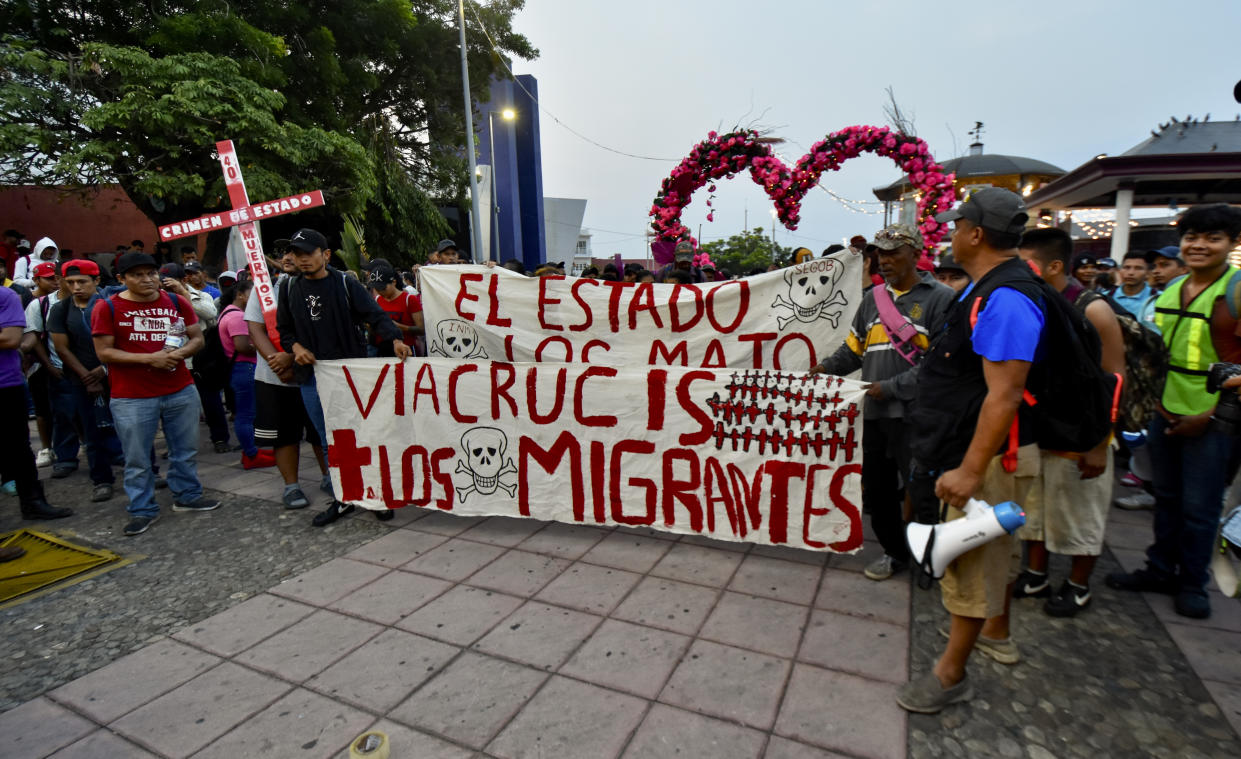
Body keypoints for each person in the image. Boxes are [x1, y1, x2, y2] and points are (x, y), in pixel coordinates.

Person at [898, 188, 1044, 714]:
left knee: (971, 564)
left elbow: (1004, 394)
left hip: (986, 460)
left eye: (957, 225)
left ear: (976, 234)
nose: (952, 233)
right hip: (974, 451)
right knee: (980, 562)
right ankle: (989, 633)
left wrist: (969, 470)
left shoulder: (1005, 298)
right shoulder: (987, 290)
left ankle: (950, 675)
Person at [1106, 203, 1241, 620]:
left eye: (1212, 238)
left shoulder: (1235, 290)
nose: (1198, 245)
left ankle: (1192, 582)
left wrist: (1214, 413)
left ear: (1232, 243)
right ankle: (1160, 568)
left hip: (1215, 417)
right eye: (1192, 237)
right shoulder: (1171, 288)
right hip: (1163, 408)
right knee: (1165, 498)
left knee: (1200, 506)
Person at [810, 223, 955, 581]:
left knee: (922, 492)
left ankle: (929, 561)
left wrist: (890, 387)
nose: (884, 260)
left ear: (916, 254)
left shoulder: (941, 299)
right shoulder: (873, 299)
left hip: (917, 416)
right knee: (877, 491)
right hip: (875, 415)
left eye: (893, 252)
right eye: (880, 253)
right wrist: (826, 367)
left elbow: (939, 366)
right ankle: (895, 553)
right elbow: (854, 348)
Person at [1013, 229, 1125, 616]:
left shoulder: (1093, 309)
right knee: (1035, 510)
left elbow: (1115, 378)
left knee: (1080, 515)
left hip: (1082, 433)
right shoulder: (1031, 302)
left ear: (1055, 265)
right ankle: (1036, 573)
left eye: (1025, 264)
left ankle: (1078, 585)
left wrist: (1099, 443)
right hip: (1040, 427)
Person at [275, 228, 410, 525]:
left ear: (325, 255)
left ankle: (375, 495)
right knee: (329, 440)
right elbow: (284, 331)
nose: (301, 259)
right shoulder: (287, 288)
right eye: (296, 253)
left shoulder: (346, 285)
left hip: (350, 376)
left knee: (364, 435)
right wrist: (296, 347)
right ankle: (344, 497)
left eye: (307, 252)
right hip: (311, 378)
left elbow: (376, 316)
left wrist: (395, 340)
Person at [92, 251, 220, 536]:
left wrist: (180, 354)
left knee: (184, 450)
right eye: (137, 275)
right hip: (132, 397)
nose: (146, 279)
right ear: (122, 279)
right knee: (136, 457)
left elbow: (196, 337)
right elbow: (104, 351)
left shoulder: (175, 301)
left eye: (150, 273)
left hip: (180, 389)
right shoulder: (107, 308)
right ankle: (142, 509)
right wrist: (151, 359)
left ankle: (187, 495)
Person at [247, 246, 330, 510]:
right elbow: (255, 328)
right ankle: (291, 486)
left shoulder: (324, 287)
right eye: (284, 253)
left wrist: (292, 358)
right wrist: (277, 361)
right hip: (274, 378)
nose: (288, 258)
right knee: (284, 435)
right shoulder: (265, 290)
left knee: (321, 431)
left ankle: (330, 476)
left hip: (313, 373)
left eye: (295, 253)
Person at [46, 259, 122, 502]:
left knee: (130, 426)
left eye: (82, 281)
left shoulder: (110, 304)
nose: (76, 287)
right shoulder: (60, 309)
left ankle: (146, 471)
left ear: (96, 281)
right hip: (81, 378)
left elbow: (122, 340)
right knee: (91, 431)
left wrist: (104, 368)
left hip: (117, 372)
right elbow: (62, 349)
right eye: (70, 282)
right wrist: (87, 376)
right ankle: (101, 479)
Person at [0, 280, 72, 522]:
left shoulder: (5, 297)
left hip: (5, 384)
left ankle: (33, 502)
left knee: (18, 448)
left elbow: (10, 339)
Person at [22, 261, 74, 474]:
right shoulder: (39, 304)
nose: (75, 286)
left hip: (90, 369)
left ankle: (98, 450)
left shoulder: (93, 301)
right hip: (55, 368)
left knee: (94, 414)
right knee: (58, 414)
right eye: (51, 278)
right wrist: (50, 366)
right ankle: (60, 455)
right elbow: (33, 337)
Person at [370, 264, 424, 357]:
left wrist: (399, 327)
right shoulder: (377, 300)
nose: (381, 291)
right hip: (383, 349)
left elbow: (421, 329)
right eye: (377, 289)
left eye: (383, 288)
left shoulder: (409, 299)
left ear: (394, 282)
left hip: (406, 349)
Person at [1111, 251, 1152, 317]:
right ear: (1120, 271)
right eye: (1127, 267)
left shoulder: (1158, 298)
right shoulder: (1106, 297)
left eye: (1138, 268)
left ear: (1148, 273)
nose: (1131, 273)